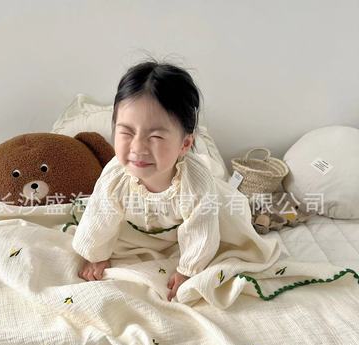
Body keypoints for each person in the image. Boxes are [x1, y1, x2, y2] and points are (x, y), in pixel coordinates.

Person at [72, 59, 280, 302]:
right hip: (140, 223)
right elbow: (99, 216)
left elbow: (202, 233)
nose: (137, 148)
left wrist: (188, 269)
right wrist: (96, 255)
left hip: (204, 213)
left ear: (185, 144)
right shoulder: (115, 176)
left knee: (230, 221)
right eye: (126, 132)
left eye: (156, 136)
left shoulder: (195, 184)